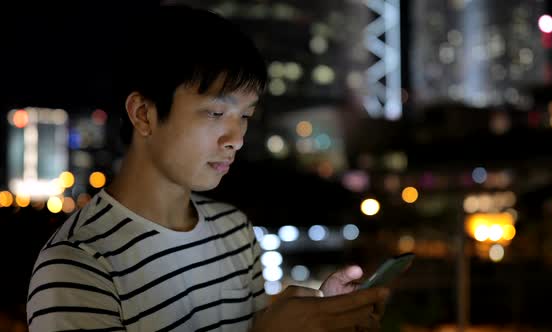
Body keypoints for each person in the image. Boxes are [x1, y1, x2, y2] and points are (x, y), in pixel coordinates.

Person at [26, 4, 390, 331]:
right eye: (216, 113)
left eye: (245, 116)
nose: (236, 138)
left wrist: (319, 314)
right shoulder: (77, 265)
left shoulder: (236, 232)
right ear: (143, 114)